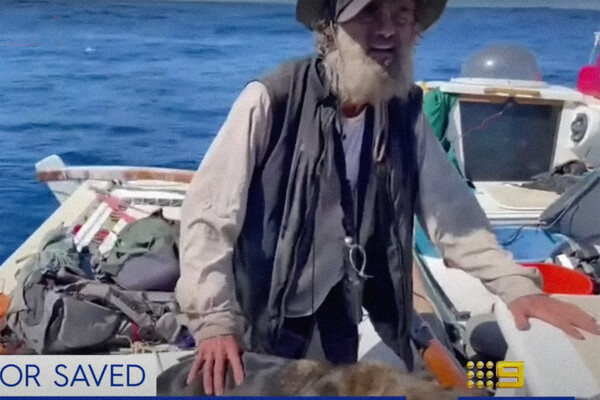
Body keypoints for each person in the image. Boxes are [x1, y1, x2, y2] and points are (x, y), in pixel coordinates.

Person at [176, 0, 600, 395]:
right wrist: (214, 321)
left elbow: (452, 213)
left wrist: (515, 287)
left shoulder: (402, 109)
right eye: (369, 13)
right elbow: (209, 217)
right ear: (330, 27)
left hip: (338, 300)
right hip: (261, 306)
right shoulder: (271, 99)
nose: (386, 30)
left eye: (401, 14)